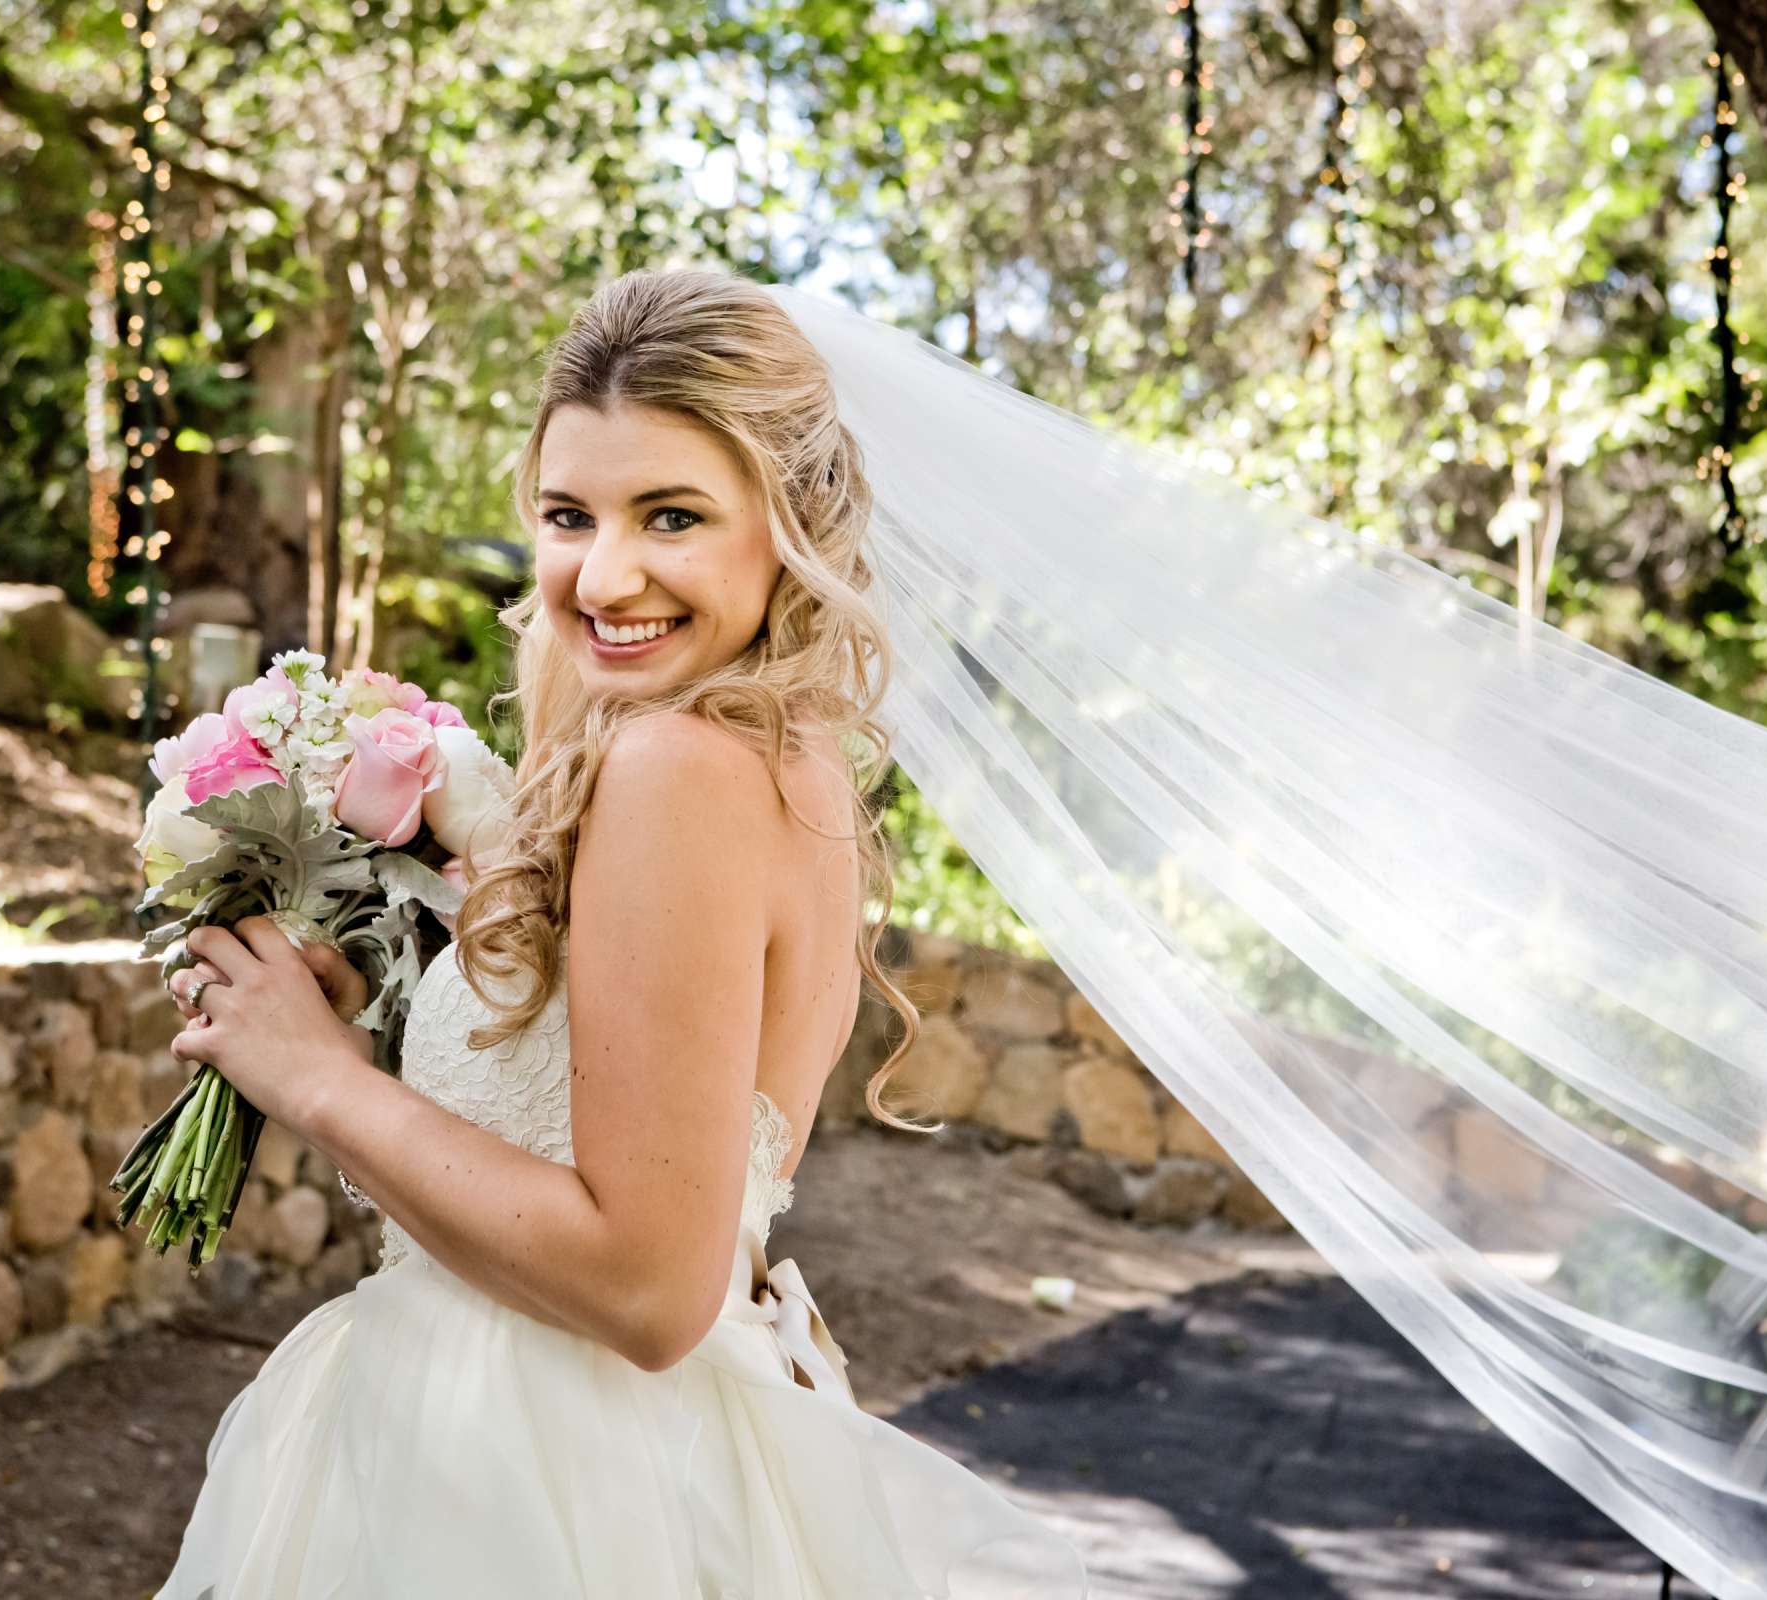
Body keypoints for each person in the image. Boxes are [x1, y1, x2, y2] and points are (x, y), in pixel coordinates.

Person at [150, 269, 1093, 1597]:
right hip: (632, 1451)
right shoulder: (779, 757)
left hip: (547, 1484)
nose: (603, 575)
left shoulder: (679, 769)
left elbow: (650, 1287)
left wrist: (315, 1077)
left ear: (794, 522)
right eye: (567, 515)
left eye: (673, 516)